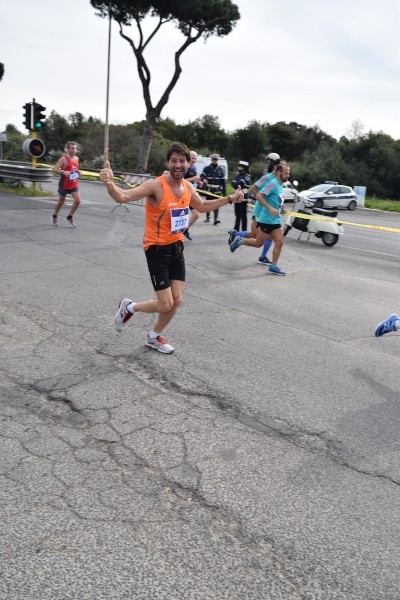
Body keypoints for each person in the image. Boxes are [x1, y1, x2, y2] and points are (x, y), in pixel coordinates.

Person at [99, 142, 244, 354]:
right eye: (173, 160)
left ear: (188, 163)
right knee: (165, 303)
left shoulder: (188, 187)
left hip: (177, 248)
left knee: (177, 301)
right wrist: (110, 184)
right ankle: (129, 308)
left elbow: (201, 206)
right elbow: (123, 196)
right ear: (168, 162)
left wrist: (230, 198)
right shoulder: (156, 186)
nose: (178, 165)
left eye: (182, 161)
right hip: (156, 250)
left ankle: (153, 337)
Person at [229, 163, 290, 276]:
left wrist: (282, 209)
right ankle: (239, 241)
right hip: (265, 220)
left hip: (275, 220)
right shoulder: (272, 184)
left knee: (279, 242)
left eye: (289, 173)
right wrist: (270, 208)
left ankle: (273, 266)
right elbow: (259, 196)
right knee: (258, 243)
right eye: (286, 173)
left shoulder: (281, 185)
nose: (288, 175)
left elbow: (278, 200)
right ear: (278, 173)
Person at [52, 141, 81, 227]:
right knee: (61, 202)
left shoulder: (76, 158)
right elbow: (55, 169)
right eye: (72, 148)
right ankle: (54, 216)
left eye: (75, 148)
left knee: (78, 201)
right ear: (67, 149)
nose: (74, 150)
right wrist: (63, 172)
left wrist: (78, 172)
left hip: (73, 183)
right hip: (64, 184)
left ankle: (69, 217)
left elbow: (75, 168)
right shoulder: (63, 159)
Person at [200, 154, 226, 225]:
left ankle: (216, 219)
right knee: (208, 204)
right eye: (213, 159)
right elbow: (202, 175)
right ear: (211, 160)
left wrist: (224, 191)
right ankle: (207, 217)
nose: (215, 161)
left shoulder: (221, 169)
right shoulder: (207, 168)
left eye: (216, 159)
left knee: (217, 204)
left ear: (217, 160)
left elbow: (223, 182)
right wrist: (204, 179)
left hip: (217, 190)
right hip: (209, 190)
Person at [183, 150, 202, 240]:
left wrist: (198, 182)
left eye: (195, 158)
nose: (194, 160)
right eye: (192, 158)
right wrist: (193, 178)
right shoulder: (184, 167)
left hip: (191, 194)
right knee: (181, 215)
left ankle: (185, 230)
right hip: (182, 194)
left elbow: (193, 180)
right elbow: (179, 181)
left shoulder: (194, 168)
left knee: (196, 214)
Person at [231, 161, 251, 232]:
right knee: (237, 214)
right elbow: (233, 183)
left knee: (243, 215)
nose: (238, 167)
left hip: (243, 198)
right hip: (237, 197)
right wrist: (237, 183)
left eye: (240, 166)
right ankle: (236, 228)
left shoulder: (247, 176)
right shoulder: (238, 175)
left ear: (244, 167)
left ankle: (244, 229)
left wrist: (236, 183)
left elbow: (241, 184)